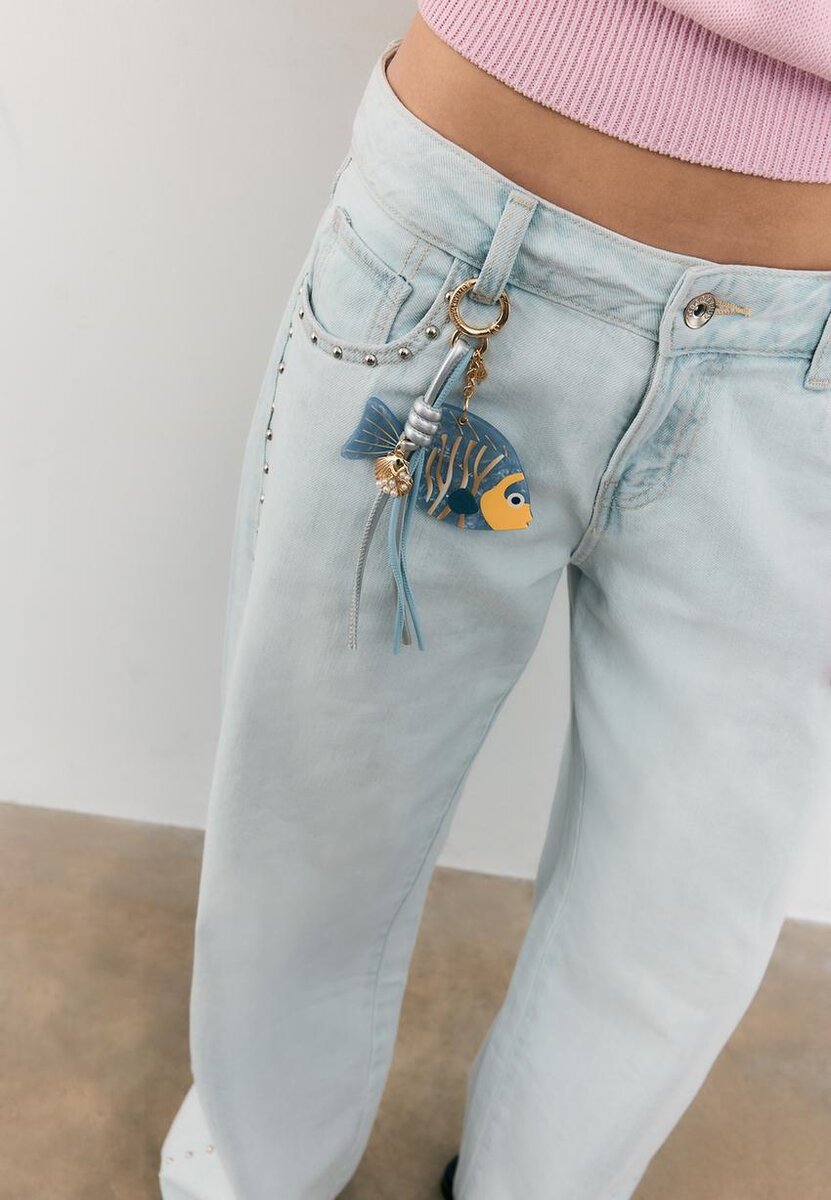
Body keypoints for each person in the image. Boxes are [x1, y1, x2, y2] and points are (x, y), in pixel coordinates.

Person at [159, 5, 831, 1199]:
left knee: (681, 915)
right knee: (311, 823)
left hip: (805, 374)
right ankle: (262, 1165)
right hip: (465, 264)